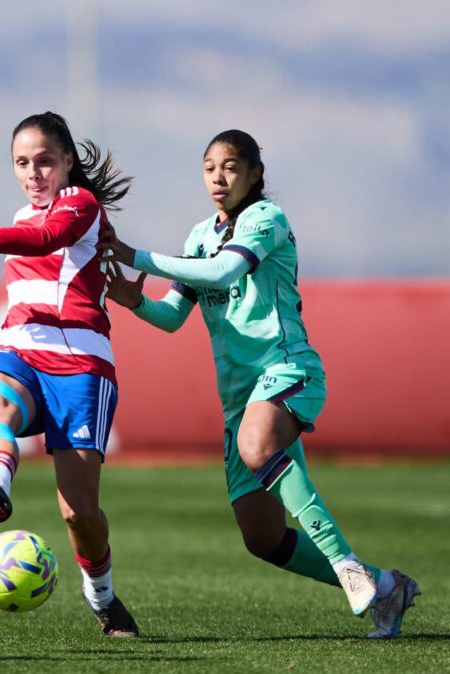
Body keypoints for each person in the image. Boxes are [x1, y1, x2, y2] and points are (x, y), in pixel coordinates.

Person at [100, 130, 420, 639]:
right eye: (209, 167)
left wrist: (134, 254)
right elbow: (172, 317)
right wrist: (131, 299)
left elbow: (226, 272)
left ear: (254, 174)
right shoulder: (199, 236)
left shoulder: (267, 220)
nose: (218, 177)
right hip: (240, 400)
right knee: (263, 537)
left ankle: (348, 565)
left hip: (289, 369)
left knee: (256, 444)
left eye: (230, 166)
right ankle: (387, 587)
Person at [0, 112, 139, 637]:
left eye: (44, 161)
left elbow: (44, 241)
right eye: (22, 162)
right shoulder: (23, 215)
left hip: (82, 365)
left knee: (78, 513)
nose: (34, 172)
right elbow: (31, 241)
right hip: (20, 346)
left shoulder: (81, 206)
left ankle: (102, 596)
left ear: (67, 161)